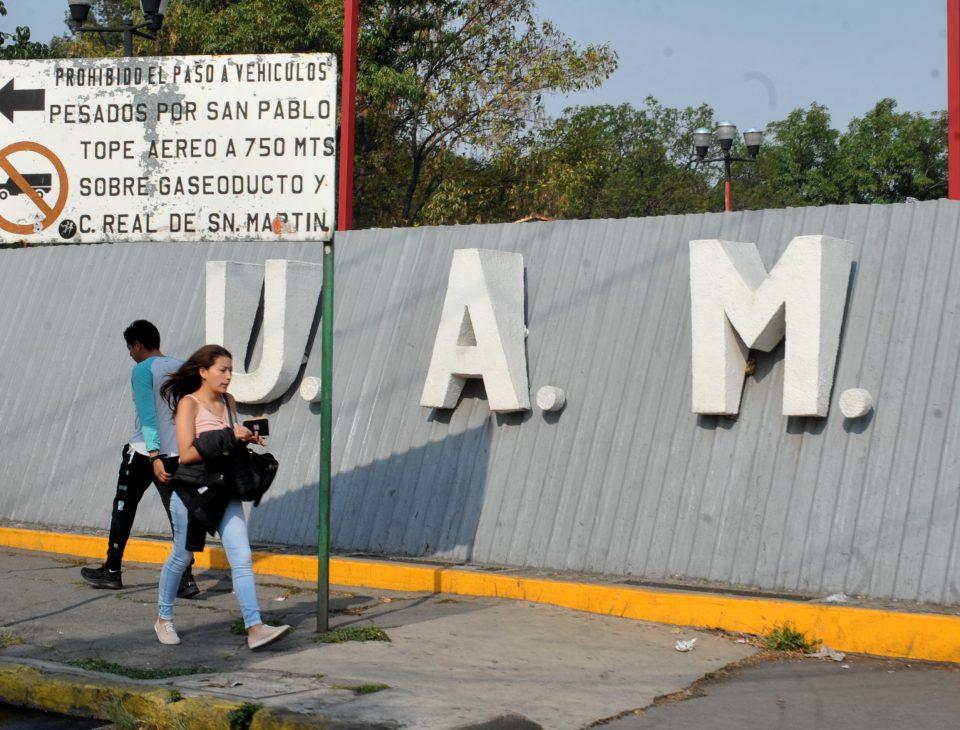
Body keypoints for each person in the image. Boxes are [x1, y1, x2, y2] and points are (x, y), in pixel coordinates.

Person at [155, 344, 290, 649]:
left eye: (231, 370)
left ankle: (255, 628)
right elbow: (187, 453)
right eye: (222, 370)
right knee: (183, 555)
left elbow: (226, 445)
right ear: (203, 372)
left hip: (225, 489)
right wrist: (229, 436)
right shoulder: (189, 404)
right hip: (193, 492)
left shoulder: (229, 402)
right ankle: (163, 619)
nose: (229, 376)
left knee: (241, 557)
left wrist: (245, 438)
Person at [81, 320, 198, 598]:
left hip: (145, 454)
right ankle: (186, 579)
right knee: (179, 517)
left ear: (137, 345)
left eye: (129, 348)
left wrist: (154, 454)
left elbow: (147, 415)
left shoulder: (142, 370)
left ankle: (111, 570)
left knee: (123, 509)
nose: (130, 354)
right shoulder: (184, 368)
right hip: (178, 454)